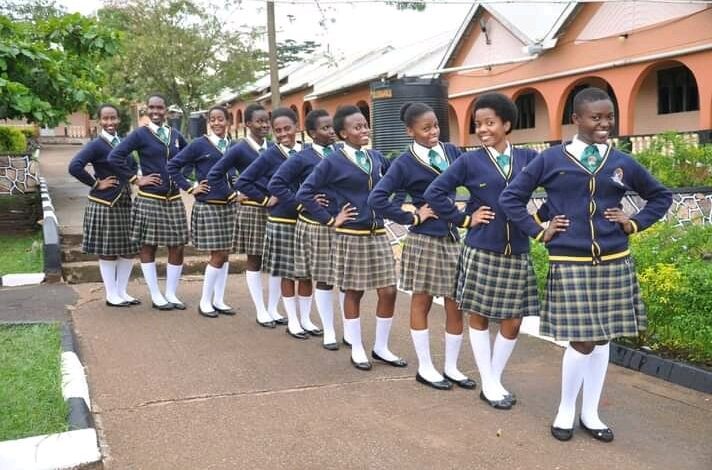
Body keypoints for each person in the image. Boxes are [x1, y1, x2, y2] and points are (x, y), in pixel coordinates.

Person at [500, 87, 672, 441]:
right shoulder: (551, 159)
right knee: (583, 339)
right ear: (576, 119)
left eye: (609, 117)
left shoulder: (622, 161)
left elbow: (661, 196)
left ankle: (590, 413)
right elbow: (511, 197)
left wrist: (633, 222)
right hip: (570, 259)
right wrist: (538, 230)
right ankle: (566, 409)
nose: (604, 123)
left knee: (603, 337)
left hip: (614, 259)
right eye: (596, 117)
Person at [425, 92, 548, 409]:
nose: (482, 130)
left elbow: (561, 189)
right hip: (481, 249)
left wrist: (539, 218)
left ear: (507, 124)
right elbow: (435, 192)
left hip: (518, 250)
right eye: (478, 124)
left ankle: (494, 376)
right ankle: (490, 383)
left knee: (513, 321)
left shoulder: (530, 160)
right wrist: (464, 219)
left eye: (489, 123)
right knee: (478, 316)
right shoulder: (469, 161)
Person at [368, 102, 475, 391]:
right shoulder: (404, 162)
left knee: (456, 303)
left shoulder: (452, 152)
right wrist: (412, 216)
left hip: (453, 237)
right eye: (425, 128)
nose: (433, 132)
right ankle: (426, 367)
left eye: (436, 126)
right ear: (410, 131)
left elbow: (476, 183)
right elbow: (377, 198)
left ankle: (451, 367)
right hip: (424, 239)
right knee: (422, 300)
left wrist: (468, 214)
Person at [297, 105, 404, 371]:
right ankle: (356, 347)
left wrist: (394, 207)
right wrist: (331, 219)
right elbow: (305, 193)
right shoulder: (333, 160)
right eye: (357, 127)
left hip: (378, 232)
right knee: (353, 291)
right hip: (351, 235)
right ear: (343, 133)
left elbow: (398, 183)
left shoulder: (377, 157)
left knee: (389, 290)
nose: (364, 130)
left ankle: (381, 347)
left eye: (365, 125)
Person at [237, 107, 320, 339]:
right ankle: (292, 320)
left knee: (306, 273)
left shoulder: (307, 152)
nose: (283, 134)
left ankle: (306, 318)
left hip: (306, 221)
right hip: (281, 220)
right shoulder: (270, 154)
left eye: (288, 128)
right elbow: (244, 181)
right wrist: (265, 199)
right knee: (287, 273)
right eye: (278, 130)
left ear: (297, 127)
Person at [268, 109, 343, 349]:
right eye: (325, 128)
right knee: (310, 275)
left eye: (332, 127)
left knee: (339, 278)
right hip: (313, 225)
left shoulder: (342, 153)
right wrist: (302, 203)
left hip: (341, 224)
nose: (331, 131)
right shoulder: (303, 157)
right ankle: (302, 323)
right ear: (311, 133)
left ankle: (308, 319)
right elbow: (276, 184)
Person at [207, 104, 285, 327]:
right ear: (247, 124)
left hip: (276, 210)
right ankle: (261, 310)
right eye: (258, 122)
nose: (264, 126)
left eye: (266, 121)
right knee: (255, 259)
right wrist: (232, 195)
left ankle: (273, 309)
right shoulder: (239, 148)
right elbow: (215, 174)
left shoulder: (273, 147)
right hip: (252, 209)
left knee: (276, 260)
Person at [108, 93, 188, 311]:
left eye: (160, 108)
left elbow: (191, 156)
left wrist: (184, 178)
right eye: (152, 107)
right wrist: (136, 178)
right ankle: (155, 294)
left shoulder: (175, 134)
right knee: (148, 245)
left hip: (173, 199)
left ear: (166, 110)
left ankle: (171, 292)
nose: (156, 111)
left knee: (178, 245)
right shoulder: (140, 134)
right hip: (150, 198)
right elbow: (115, 156)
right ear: (146, 109)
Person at [166, 106, 237, 318]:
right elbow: (173, 166)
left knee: (226, 254)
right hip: (209, 206)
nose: (217, 123)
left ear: (228, 121)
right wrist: (190, 187)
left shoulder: (233, 146)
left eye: (220, 119)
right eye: (213, 119)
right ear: (208, 122)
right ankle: (205, 301)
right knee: (217, 254)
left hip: (230, 205)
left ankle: (219, 299)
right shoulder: (199, 144)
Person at [68, 103, 139, 307]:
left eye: (113, 118)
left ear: (118, 120)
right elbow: (74, 167)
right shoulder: (96, 145)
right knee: (108, 249)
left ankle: (122, 291)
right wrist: (96, 183)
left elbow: (132, 166)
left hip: (125, 202)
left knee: (128, 248)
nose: (110, 122)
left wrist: (135, 179)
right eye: (105, 119)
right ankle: (111, 294)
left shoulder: (124, 142)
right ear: (99, 121)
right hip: (104, 203)